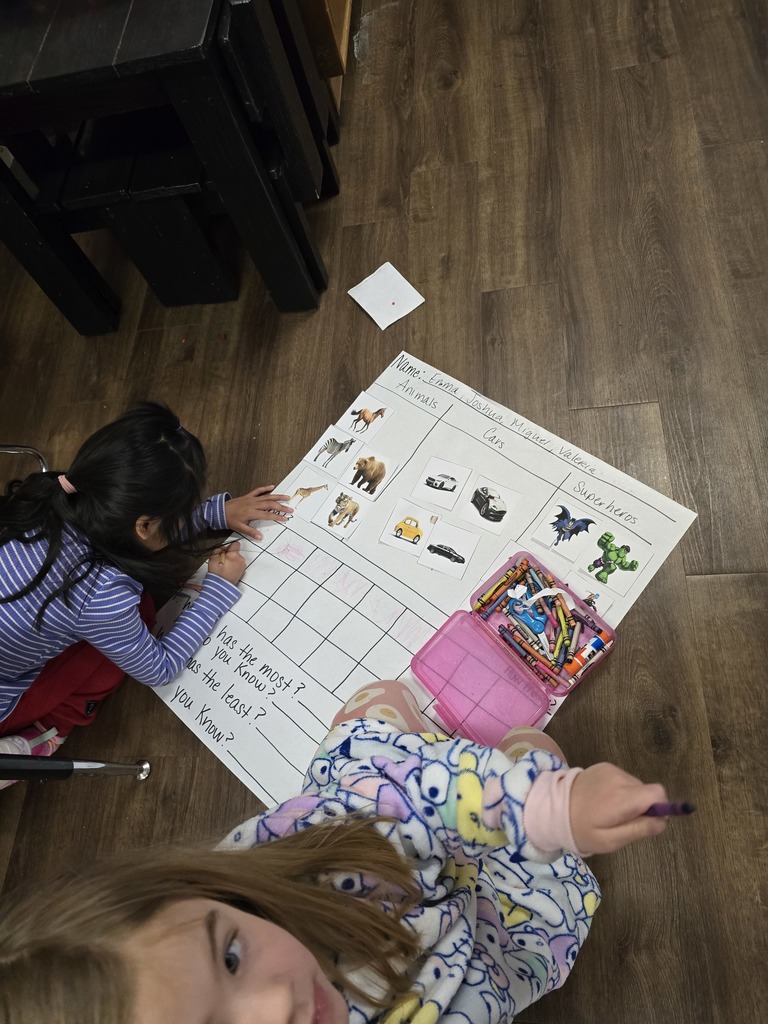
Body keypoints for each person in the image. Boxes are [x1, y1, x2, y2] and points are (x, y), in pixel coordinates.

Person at [0, 680, 673, 1023]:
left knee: (379, 716)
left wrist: (548, 807)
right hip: (506, 940)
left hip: (390, 854)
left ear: (216, 892)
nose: (274, 1004)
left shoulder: (286, 867)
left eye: (231, 955)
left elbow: (390, 794)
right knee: (537, 749)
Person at [0, 402, 292, 776]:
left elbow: (136, 528)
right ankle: (44, 733)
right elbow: (159, 668)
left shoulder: (53, 496)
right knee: (112, 658)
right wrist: (216, 589)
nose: (190, 512)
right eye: (183, 511)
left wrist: (213, 513)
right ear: (144, 526)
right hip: (9, 697)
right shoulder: (100, 593)